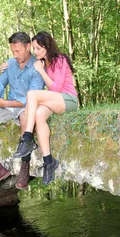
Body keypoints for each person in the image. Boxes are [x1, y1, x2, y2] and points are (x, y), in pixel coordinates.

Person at [0, 32, 44, 191]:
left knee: (26, 116)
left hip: (25, 106)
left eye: (18, 51)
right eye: (13, 51)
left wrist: (5, 102)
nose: (15, 55)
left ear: (28, 47)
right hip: (8, 106)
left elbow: (31, 99)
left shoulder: (37, 67)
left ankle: (24, 166)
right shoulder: (10, 64)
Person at [13, 31, 79, 185]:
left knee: (32, 95)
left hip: (68, 100)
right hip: (55, 100)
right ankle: (49, 161)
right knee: (39, 114)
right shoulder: (44, 62)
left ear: (46, 47)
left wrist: (41, 71)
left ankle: (27, 138)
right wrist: (7, 65)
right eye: (34, 49)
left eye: (37, 48)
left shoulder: (60, 60)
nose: (35, 52)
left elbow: (56, 88)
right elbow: (24, 66)